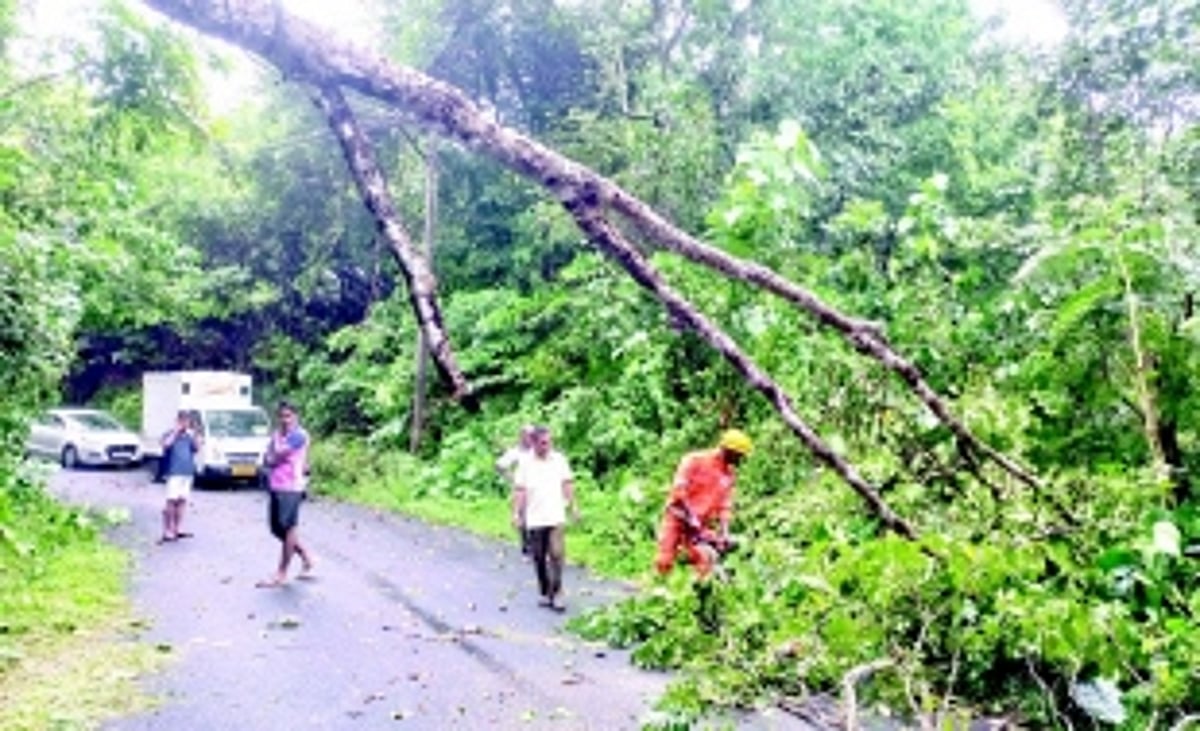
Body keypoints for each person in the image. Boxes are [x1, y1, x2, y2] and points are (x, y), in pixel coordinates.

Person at [654, 429, 752, 578]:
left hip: (699, 527)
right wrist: (691, 517)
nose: (740, 461)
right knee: (664, 561)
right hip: (677, 518)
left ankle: (699, 593)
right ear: (728, 451)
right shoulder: (693, 460)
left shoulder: (728, 475)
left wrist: (725, 533)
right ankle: (658, 591)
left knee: (705, 560)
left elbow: (725, 507)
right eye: (739, 456)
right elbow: (678, 492)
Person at [512, 426, 578, 612]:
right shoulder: (525, 463)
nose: (547, 445)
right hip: (535, 517)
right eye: (542, 443)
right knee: (539, 556)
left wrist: (573, 506)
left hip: (555, 515)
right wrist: (517, 513)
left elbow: (567, 483)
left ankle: (557, 592)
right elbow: (520, 490)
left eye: (549, 442)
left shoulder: (559, 460)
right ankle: (544, 590)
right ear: (533, 443)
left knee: (557, 554)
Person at [256, 401, 314, 588]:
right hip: (276, 484)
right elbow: (267, 457)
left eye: (288, 416)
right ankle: (305, 555)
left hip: (292, 486)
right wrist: (271, 456)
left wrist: (272, 456)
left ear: (296, 416)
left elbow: (277, 455)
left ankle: (281, 573)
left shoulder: (299, 435)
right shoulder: (278, 434)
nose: (285, 420)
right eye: (282, 416)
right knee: (276, 528)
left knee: (288, 527)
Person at [159, 410, 202, 544]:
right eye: (182, 420)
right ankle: (167, 529)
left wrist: (195, 433)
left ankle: (178, 528)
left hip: (187, 472)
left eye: (187, 421)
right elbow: (166, 445)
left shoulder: (189, 436)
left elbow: (197, 448)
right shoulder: (170, 433)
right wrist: (176, 432)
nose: (185, 423)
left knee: (182, 501)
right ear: (177, 421)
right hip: (174, 472)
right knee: (171, 501)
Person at [496, 424, 535, 554]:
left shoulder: (538, 450)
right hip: (521, 489)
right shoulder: (515, 452)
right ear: (522, 437)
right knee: (523, 518)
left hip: (537, 488)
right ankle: (526, 545)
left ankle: (539, 546)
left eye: (532, 435)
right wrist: (511, 478)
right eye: (528, 435)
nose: (530, 438)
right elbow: (499, 465)